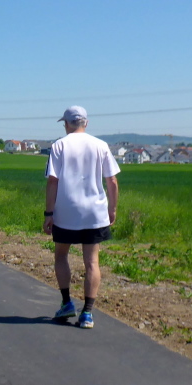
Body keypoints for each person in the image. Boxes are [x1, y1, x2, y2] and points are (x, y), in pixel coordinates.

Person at [43, 106, 120, 329]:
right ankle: (87, 313)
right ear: (86, 123)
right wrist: (112, 208)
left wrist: (49, 213)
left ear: (66, 124)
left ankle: (67, 302)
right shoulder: (101, 145)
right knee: (92, 261)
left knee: (61, 255)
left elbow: (53, 181)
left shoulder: (59, 145)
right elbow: (112, 181)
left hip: (66, 210)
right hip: (95, 212)